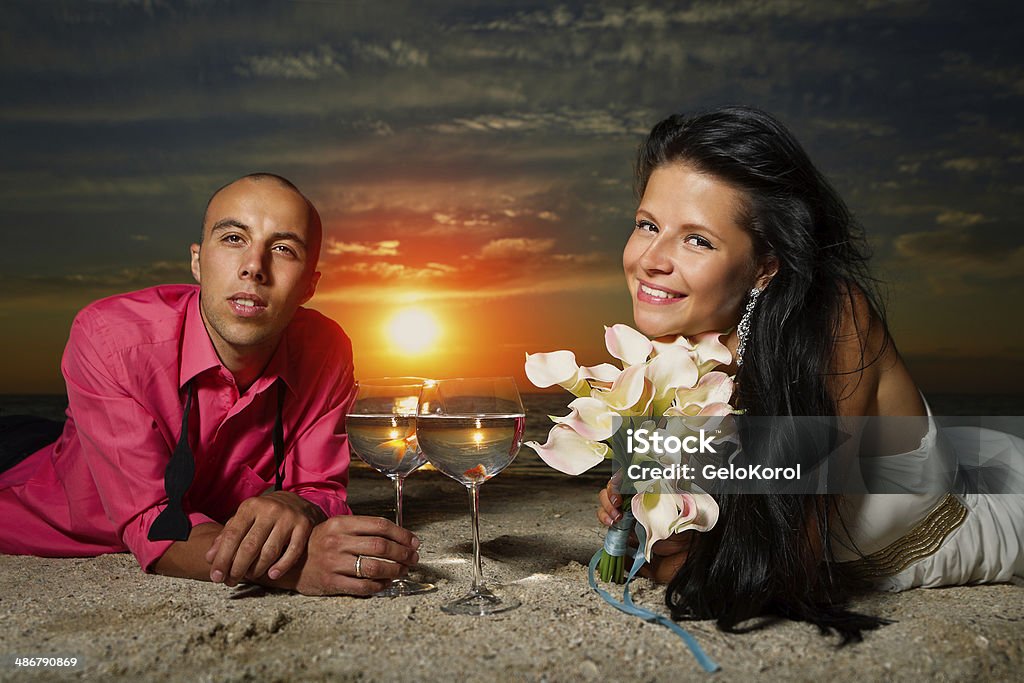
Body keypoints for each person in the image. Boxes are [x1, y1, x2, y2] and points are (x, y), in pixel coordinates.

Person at [597, 106, 1024, 641]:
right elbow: (676, 547)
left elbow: (776, 568)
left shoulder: (833, 317)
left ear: (765, 265)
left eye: (697, 239)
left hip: (991, 520)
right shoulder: (669, 348)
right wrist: (643, 505)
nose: (650, 259)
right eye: (648, 225)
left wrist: (672, 531)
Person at [0, 173, 420, 596]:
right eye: (234, 238)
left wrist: (296, 504)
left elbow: (319, 489)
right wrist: (291, 568)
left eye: (283, 248)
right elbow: (152, 522)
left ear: (309, 285)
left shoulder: (326, 349)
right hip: (22, 470)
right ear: (198, 262)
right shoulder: (110, 337)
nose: (254, 267)